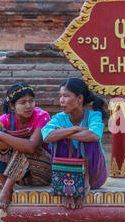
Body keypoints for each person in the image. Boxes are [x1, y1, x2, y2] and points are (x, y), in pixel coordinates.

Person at [0, 83, 52, 210]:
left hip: (45, 172)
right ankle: (8, 190)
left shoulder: (42, 116)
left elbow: (31, 147)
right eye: (23, 102)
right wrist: (19, 142)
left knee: (25, 147)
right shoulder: (6, 119)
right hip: (21, 175)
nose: (28, 106)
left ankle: (6, 192)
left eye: (31, 101)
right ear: (12, 106)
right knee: (0, 150)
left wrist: (1, 135)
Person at [41, 78, 108, 210]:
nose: (61, 100)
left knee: (88, 141)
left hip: (94, 176)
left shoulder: (94, 116)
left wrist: (64, 133)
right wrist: (75, 129)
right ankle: (64, 187)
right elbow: (47, 136)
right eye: (60, 96)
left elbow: (94, 135)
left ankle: (84, 183)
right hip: (66, 175)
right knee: (59, 139)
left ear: (79, 98)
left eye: (66, 96)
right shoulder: (59, 118)